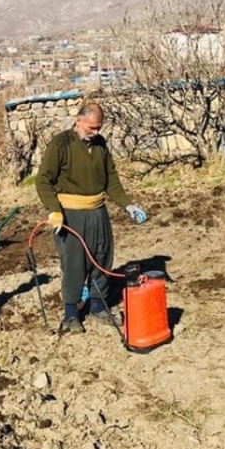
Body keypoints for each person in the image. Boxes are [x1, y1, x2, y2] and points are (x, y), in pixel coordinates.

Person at [35, 103, 148, 333]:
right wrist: (54, 210)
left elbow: (111, 180)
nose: (96, 132)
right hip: (71, 215)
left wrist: (128, 205)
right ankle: (71, 314)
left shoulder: (101, 144)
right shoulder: (61, 144)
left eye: (99, 128)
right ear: (78, 120)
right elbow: (43, 181)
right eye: (92, 128)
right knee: (75, 263)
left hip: (98, 211)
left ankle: (98, 306)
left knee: (102, 258)